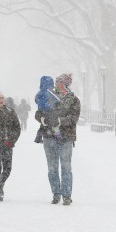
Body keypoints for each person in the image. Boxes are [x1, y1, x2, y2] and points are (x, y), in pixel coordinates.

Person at [35, 73, 81, 206]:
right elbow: (38, 113)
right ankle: (56, 194)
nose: (56, 84)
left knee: (66, 167)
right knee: (52, 168)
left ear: (65, 84)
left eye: (59, 82)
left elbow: (74, 118)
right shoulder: (46, 94)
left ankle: (66, 195)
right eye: (55, 82)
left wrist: (59, 121)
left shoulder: (73, 99)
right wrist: (43, 119)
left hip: (66, 138)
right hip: (49, 136)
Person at [34, 77, 61, 142]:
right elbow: (58, 99)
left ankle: (38, 137)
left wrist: (41, 105)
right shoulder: (50, 91)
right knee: (55, 126)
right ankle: (59, 137)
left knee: (43, 125)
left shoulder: (40, 92)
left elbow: (36, 100)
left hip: (42, 110)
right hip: (50, 110)